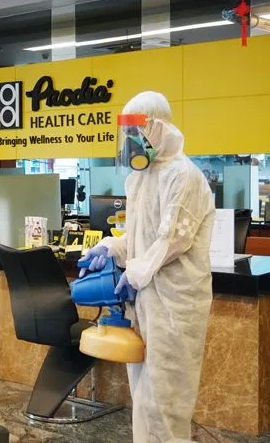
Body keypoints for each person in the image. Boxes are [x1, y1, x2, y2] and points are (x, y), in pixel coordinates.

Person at [80, 91, 215, 442]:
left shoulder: (183, 176)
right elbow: (140, 236)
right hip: (144, 301)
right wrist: (110, 246)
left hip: (175, 304)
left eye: (136, 131)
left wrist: (135, 271)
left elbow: (173, 241)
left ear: (157, 127)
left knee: (165, 402)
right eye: (126, 133)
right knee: (141, 398)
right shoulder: (140, 178)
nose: (131, 141)